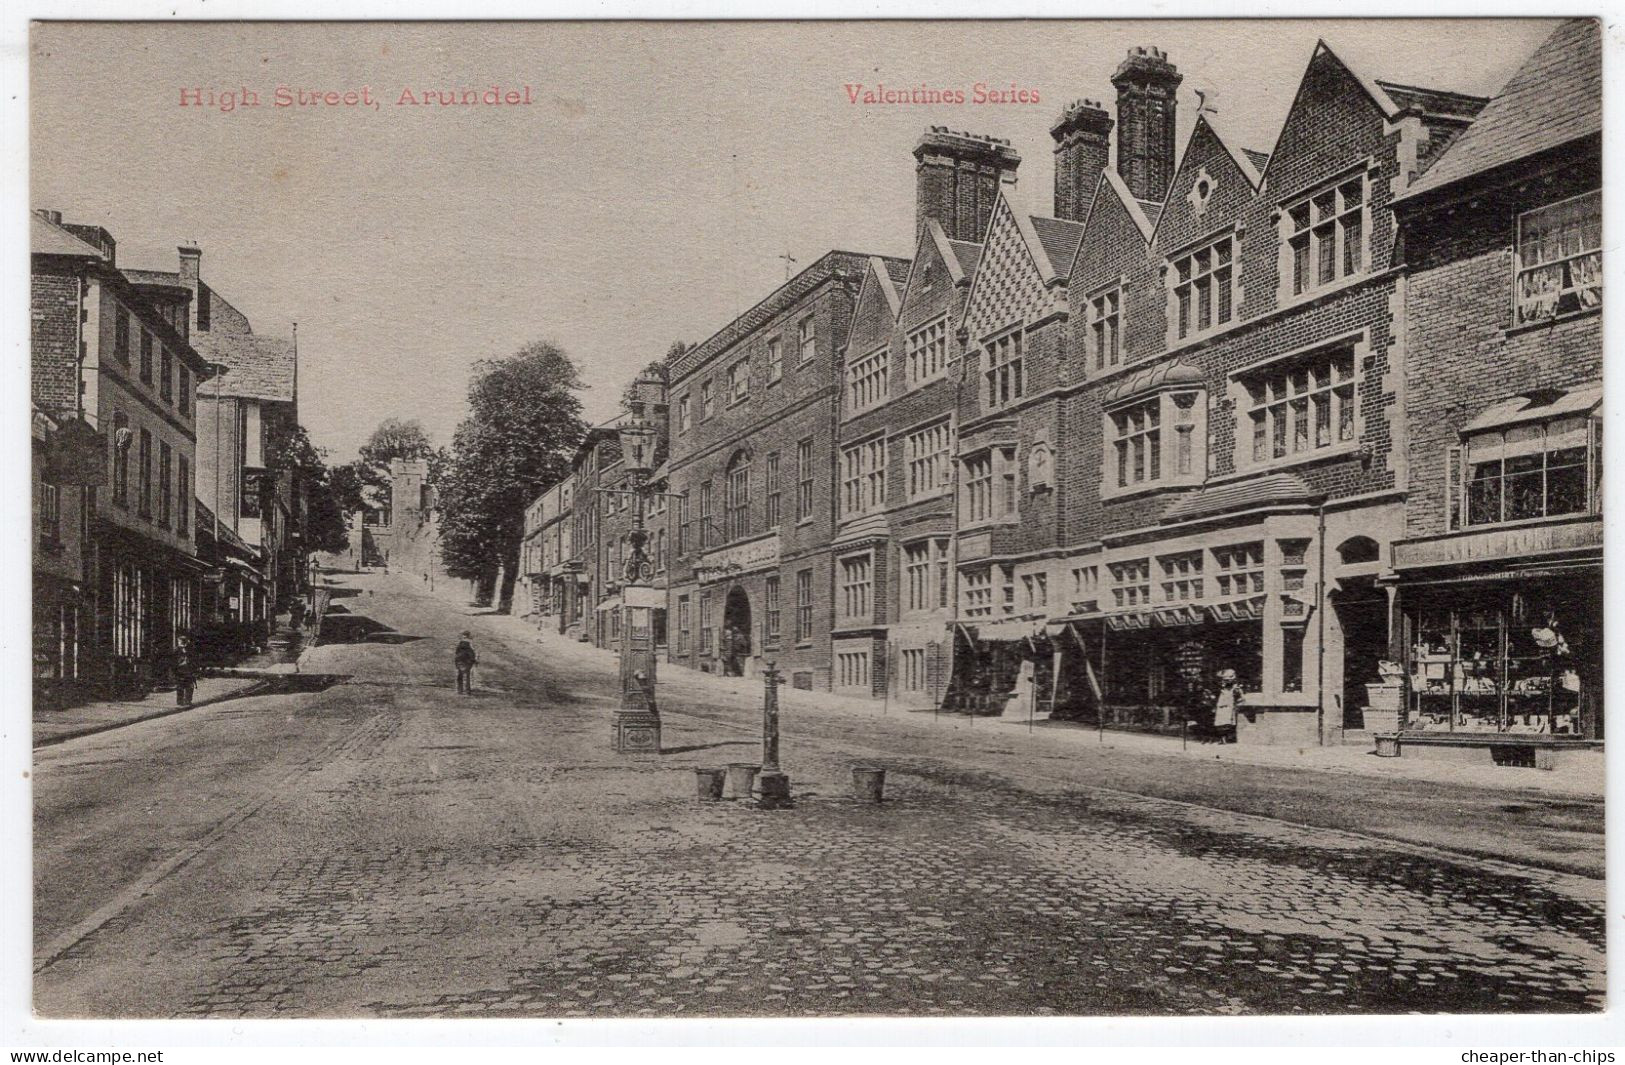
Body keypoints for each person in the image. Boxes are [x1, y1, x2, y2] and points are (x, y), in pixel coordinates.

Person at [1212, 668, 1243, 742]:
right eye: (1225, 680)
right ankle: (1222, 738)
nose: (1226, 681)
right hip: (1221, 705)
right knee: (1221, 722)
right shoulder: (1221, 688)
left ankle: (1227, 737)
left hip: (1229, 706)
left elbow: (1240, 696)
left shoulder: (1235, 688)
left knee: (1228, 722)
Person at [174, 634, 198, 707]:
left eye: (182, 642)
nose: (181, 643)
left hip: (189, 670)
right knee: (180, 686)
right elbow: (173, 661)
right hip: (180, 670)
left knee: (189, 686)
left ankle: (188, 700)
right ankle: (180, 701)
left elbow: (194, 660)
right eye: (180, 642)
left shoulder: (190, 650)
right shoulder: (176, 650)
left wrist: (194, 670)